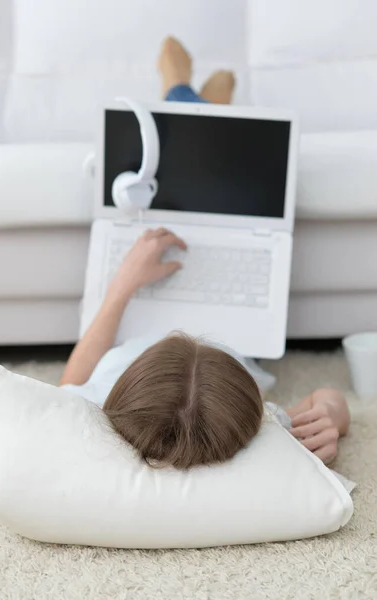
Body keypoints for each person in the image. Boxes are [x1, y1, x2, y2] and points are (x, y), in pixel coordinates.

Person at [60, 39, 350, 469]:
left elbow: (70, 382)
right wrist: (329, 418)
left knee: (174, 197)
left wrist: (122, 287)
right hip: (219, 316)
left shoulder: (105, 405)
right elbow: (330, 398)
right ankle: (193, 96)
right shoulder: (242, 419)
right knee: (222, 183)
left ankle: (182, 89)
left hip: (131, 309)